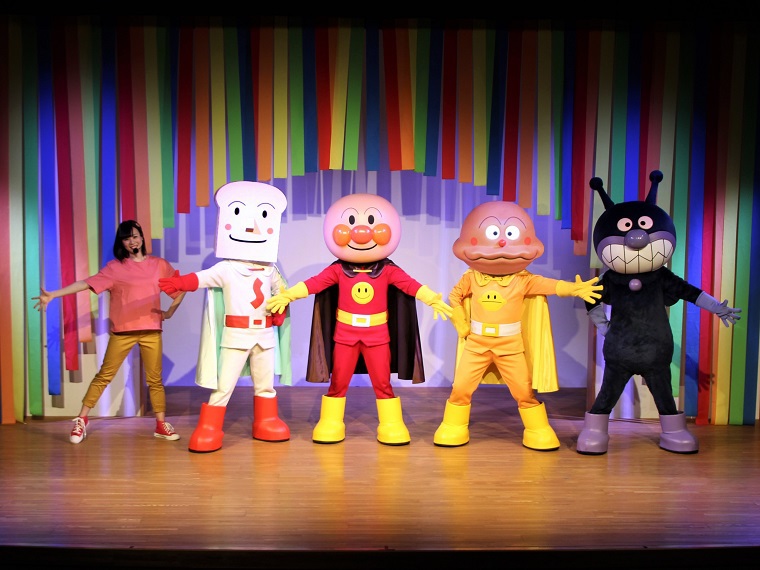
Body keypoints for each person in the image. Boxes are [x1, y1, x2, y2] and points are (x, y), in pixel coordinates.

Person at [267, 193, 452, 446]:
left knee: (382, 382)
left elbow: (410, 285)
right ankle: (331, 421)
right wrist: (288, 295)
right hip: (345, 336)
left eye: (370, 223)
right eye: (352, 223)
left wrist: (432, 299)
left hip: (377, 337)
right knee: (338, 381)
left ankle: (391, 423)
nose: (361, 232)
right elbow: (314, 284)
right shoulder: (337, 270)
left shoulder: (387, 270)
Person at [578, 171, 741, 455]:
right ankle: (595, 430)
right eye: (627, 229)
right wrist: (604, 327)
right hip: (619, 352)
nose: (636, 237)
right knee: (607, 393)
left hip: (656, 352)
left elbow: (691, 293)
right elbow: (590, 299)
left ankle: (674, 431)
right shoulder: (611, 278)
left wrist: (718, 308)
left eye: (643, 227)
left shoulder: (661, 276)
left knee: (664, 393)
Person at [433, 200, 602, 451]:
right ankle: (454, 425)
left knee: (523, 390)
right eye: (494, 234)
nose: (502, 242)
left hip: (510, 346)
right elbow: (454, 297)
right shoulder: (471, 278)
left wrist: (574, 289)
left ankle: (537, 429)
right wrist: (461, 323)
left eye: (509, 234)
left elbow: (551, 285)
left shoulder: (523, 281)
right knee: (461, 387)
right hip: (476, 344)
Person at [158, 181, 291, 453]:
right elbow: (200, 279)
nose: (253, 227)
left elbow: (282, 293)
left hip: (264, 335)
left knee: (266, 385)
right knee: (224, 386)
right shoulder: (227, 268)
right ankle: (210, 428)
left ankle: (266, 421)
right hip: (236, 336)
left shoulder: (270, 269)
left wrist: (282, 306)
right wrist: (179, 282)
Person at [32, 220, 186, 444]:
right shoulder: (115, 268)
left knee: (155, 380)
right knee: (104, 375)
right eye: (127, 238)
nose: (132, 241)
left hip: (151, 330)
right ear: (121, 243)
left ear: (142, 238)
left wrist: (170, 312)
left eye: (135, 236)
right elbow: (86, 283)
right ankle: (82, 419)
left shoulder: (159, 265)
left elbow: (181, 287)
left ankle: (161, 424)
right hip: (123, 332)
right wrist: (54, 294)